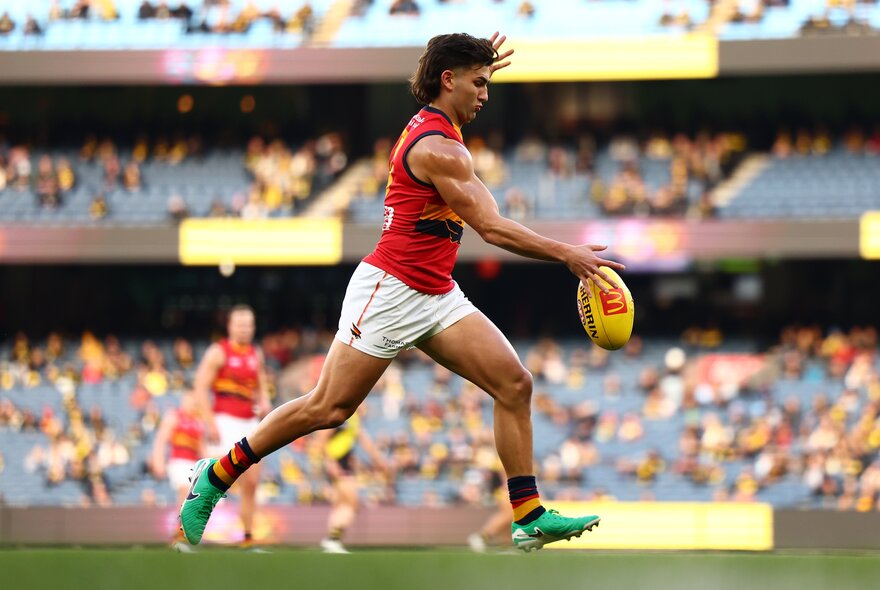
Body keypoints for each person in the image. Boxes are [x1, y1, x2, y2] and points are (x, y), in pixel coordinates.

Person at [180, 32, 621, 552]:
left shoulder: (443, 133)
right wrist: (568, 254)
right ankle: (216, 474)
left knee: (515, 384)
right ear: (447, 80)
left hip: (435, 293)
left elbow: (483, 211)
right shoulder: (439, 149)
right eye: (479, 83)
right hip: (390, 291)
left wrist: (477, 61)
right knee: (327, 408)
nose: (486, 94)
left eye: (490, 82)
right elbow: (493, 228)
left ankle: (527, 515)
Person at [191, 304, 272, 548]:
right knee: (212, 480)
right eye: (240, 324)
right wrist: (210, 421)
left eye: (248, 324)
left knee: (252, 482)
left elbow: (260, 385)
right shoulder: (219, 352)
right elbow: (200, 387)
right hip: (224, 420)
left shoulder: (255, 353)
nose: (244, 329)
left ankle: (247, 538)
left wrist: (265, 402)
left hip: (249, 421)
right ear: (230, 326)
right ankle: (188, 531)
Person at [313, 409, 391, 553]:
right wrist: (330, 463)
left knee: (341, 504)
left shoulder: (353, 418)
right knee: (352, 503)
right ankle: (332, 539)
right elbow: (321, 439)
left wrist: (379, 460)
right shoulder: (339, 414)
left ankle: (332, 541)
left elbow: (365, 441)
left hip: (342, 463)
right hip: (337, 464)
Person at [150, 389, 205, 552]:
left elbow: (202, 448)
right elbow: (161, 440)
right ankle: (178, 537)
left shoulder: (198, 422)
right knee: (185, 493)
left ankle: (182, 536)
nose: (192, 403)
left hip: (193, 463)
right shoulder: (174, 417)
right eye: (190, 400)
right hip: (178, 461)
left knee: (192, 500)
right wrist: (158, 460)